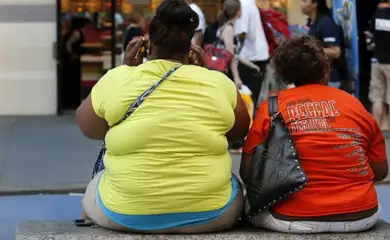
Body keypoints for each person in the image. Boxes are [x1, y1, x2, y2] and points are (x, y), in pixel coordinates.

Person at [76, 0, 250, 233]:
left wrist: (125, 69)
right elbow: (239, 131)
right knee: (234, 185)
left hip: (125, 212)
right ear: (191, 48)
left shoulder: (119, 79)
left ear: (147, 46)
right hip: (213, 213)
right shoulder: (218, 82)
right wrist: (205, 73)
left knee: (94, 187)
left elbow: (90, 128)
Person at [241, 36, 387, 233]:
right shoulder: (354, 104)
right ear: (326, 70)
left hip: (290, 217)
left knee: (247, 204)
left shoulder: (271, 108)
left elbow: (248, 174)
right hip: (360, 215)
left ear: (286, 75)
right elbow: (380, 172)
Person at [301, 0, 342, 88]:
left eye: (304, 1)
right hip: (315, 77)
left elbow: (335, 52)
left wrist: (309, 48)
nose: (301, 4)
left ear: (315, 4)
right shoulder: (310, 23)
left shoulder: (326, 23)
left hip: (329, 79)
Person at [234, 0, 269, 105]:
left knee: (248, 99)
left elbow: (242, 32)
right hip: (258, 54)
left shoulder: (242, 5)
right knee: (255, 96)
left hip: (250, 57)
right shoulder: (249, 3)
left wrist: (237, 49)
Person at [366, 0, 390, 130]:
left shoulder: (375, 18)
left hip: (377, 62)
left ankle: (378, 128)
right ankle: (385, 126)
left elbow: (369, 43)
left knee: (378, 97)